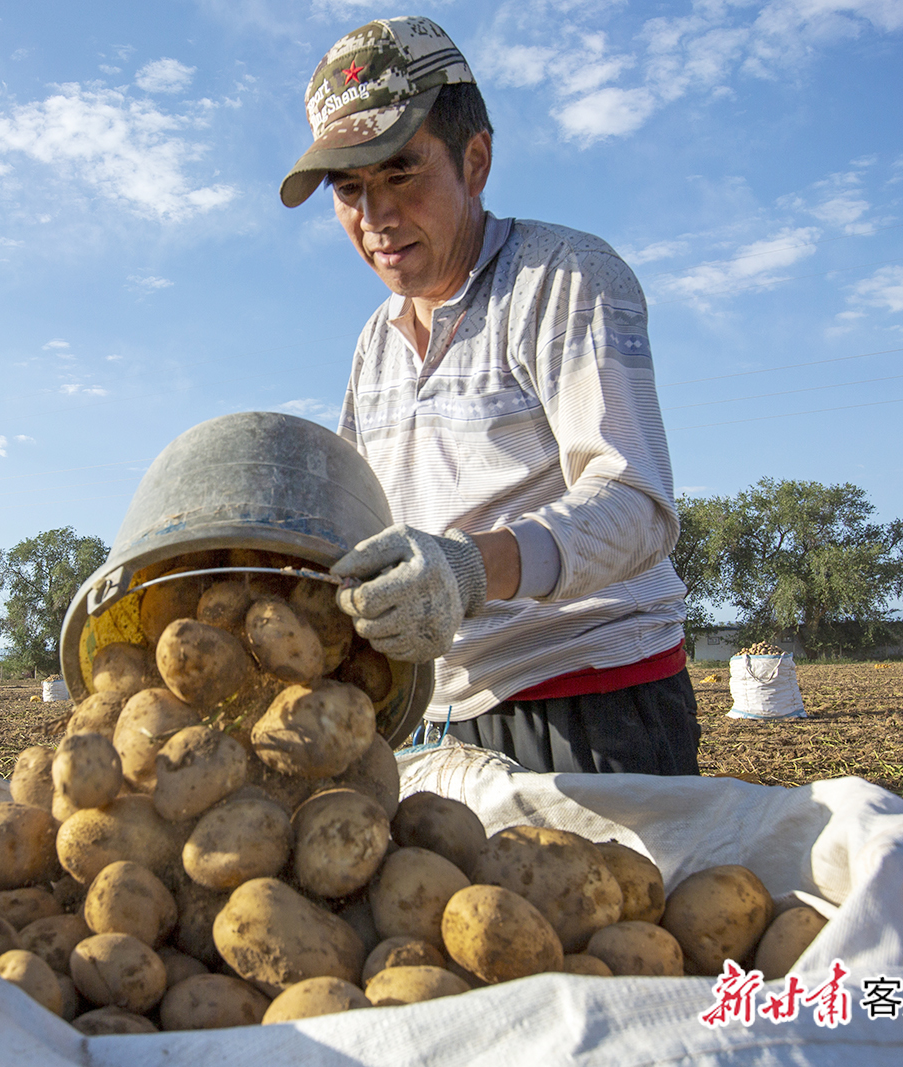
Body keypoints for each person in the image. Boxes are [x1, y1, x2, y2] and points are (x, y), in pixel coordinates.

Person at [282, 16, 699, 775]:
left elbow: (637, 505)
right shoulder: (375, 343)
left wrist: (472, 568)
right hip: (436, 717)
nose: (374, 217)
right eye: (349, 188)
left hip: (589, 701)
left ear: (475, 162)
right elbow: (359, 523)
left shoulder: (564, 279)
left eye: (400, 171)